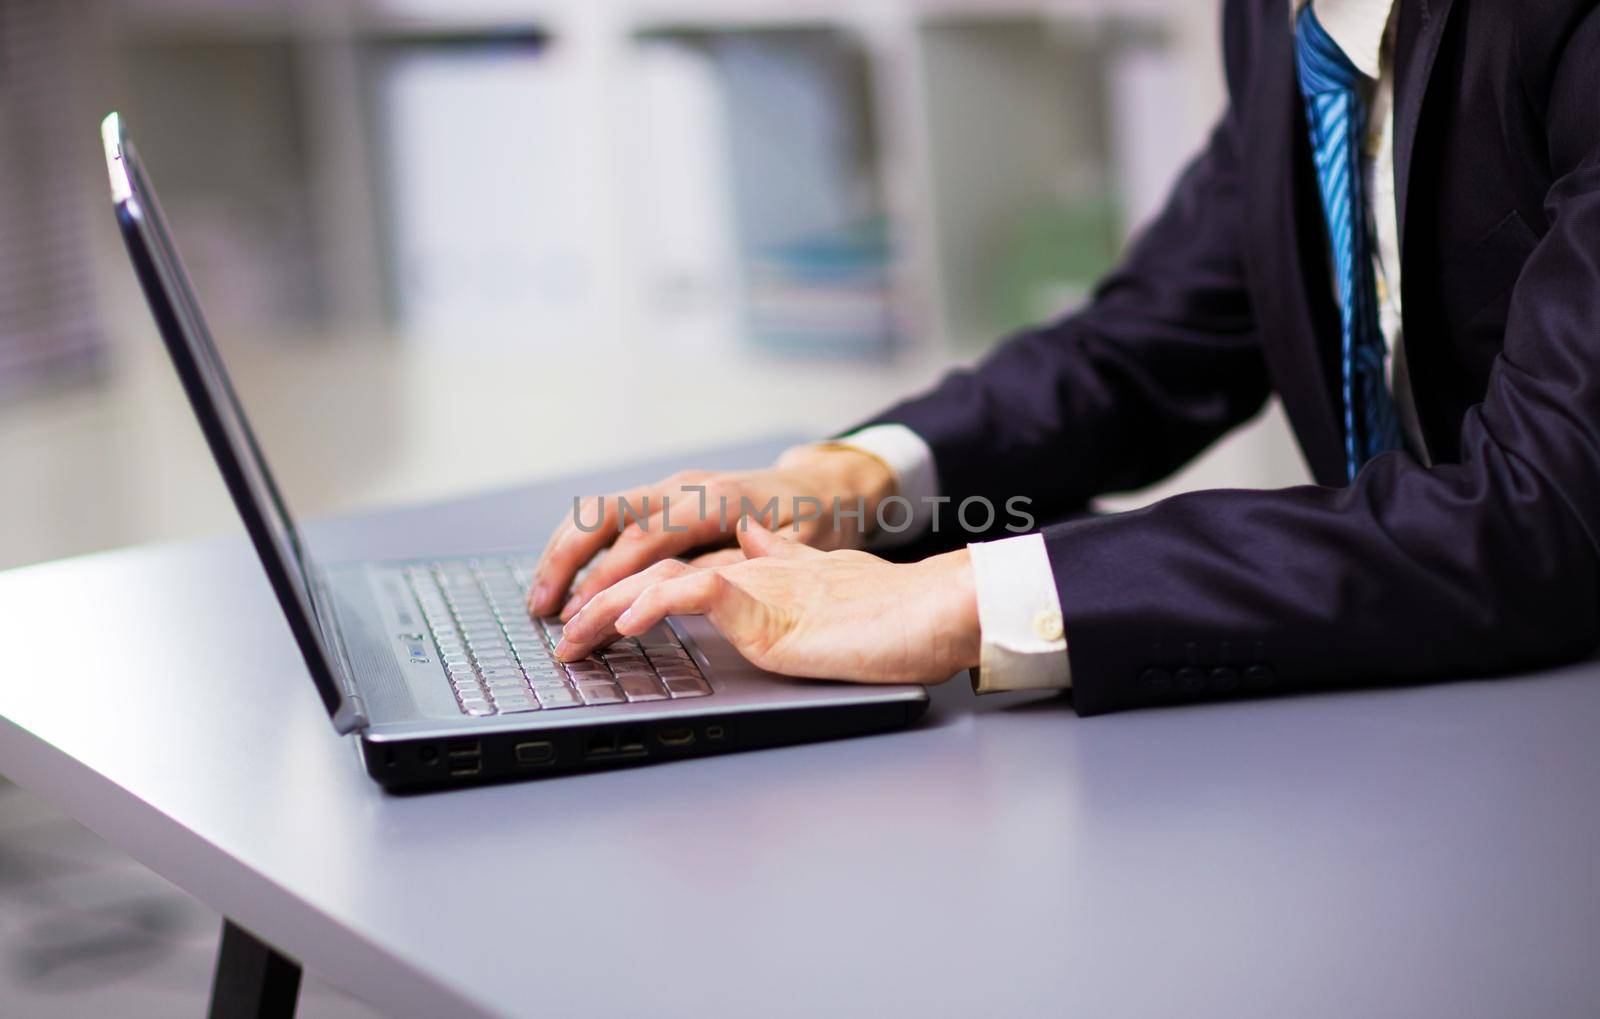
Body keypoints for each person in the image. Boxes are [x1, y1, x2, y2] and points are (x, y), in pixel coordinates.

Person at [529, 0, 1600, 715]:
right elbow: (1162, 330)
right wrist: (848, 482)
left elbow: (1537, 514)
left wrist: (970, 595)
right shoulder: (1293, 19)